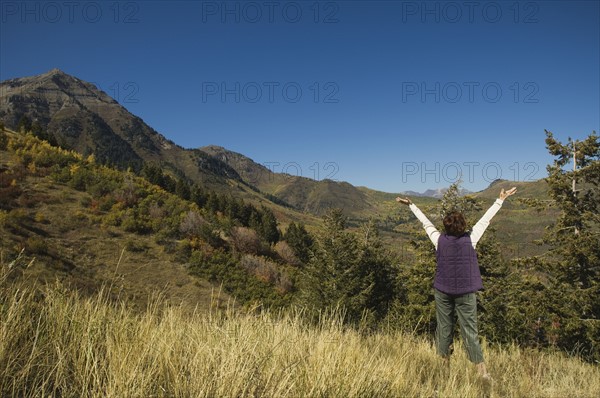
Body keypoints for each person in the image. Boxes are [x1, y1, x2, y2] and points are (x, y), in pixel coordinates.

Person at [396, 187, 517, 385]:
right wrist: (499, 200)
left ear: (445, 226)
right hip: (466, 293)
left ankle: (444, 374)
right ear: (463, 226)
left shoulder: (439, 240)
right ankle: (483, 374)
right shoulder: (471, 239)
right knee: (470, 332)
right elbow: (485, 220)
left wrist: (412, 205)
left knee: (444, 330)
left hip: (442, 291)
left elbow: (425, 224)